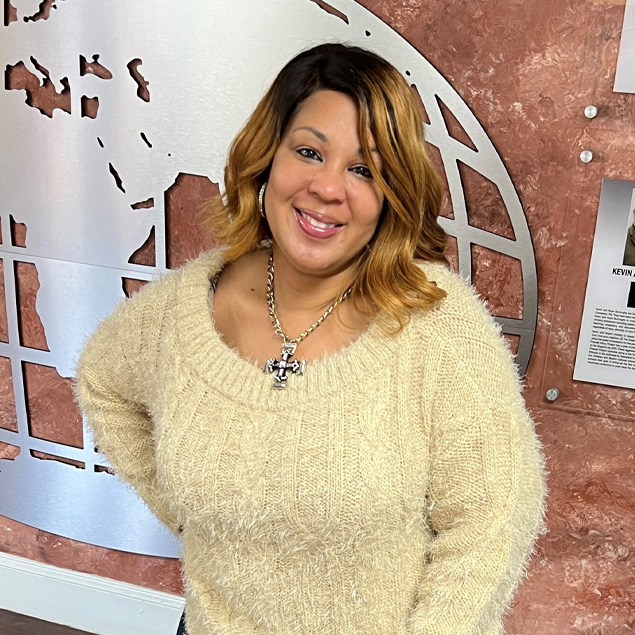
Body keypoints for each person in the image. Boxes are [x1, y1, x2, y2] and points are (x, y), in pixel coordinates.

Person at [75, 43, 547, 635]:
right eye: (308, 151)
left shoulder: (438, 323)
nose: (327, 188)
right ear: (266, 156)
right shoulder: (182, 310)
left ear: (391, 193)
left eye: (363, 169)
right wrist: (199, 517)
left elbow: (492, 520)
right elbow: (104, 379)